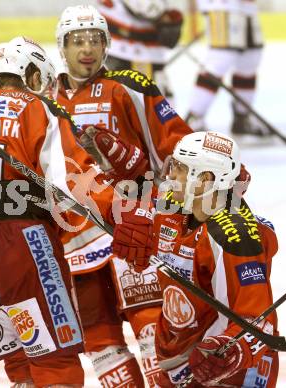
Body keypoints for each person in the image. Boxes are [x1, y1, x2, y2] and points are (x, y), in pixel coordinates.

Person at [0, 36, 96, 388]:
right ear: (33, 75)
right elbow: (75, 181)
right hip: (20, 245)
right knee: (55, 361)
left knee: (20, 363)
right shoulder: (39, 109)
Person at [55, 4, 193, 387]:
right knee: (99, 337)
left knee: (150, 326)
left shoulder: (129, 86)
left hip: (132, 227)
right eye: (76, 41)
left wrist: (206, 177)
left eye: (95, 40)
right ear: (61, 47)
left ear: (107, 44)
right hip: (74, 237)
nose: (87, 49)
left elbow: (175, 145)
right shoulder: (47, 101)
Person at [112, 131, 279, 387]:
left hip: (227, 369)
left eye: (180, 168)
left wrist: (230, 350)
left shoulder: (233, 236)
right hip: (179, 361)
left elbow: (259, 322)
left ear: (205, 179)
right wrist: (130, 218)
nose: (170, 175)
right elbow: (135, 205)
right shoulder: (172, 206)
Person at [185, 0, 272, 137]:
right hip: (221, 5)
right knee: (220, 59)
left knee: (250, 59)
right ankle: (194, 117)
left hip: (247, 7)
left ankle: (242, 118)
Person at [97, 0, 183, 104]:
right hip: (119, 51)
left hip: (147, 54)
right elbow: (148, 7)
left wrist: (171, 20)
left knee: (162, 109)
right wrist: (162, 13)